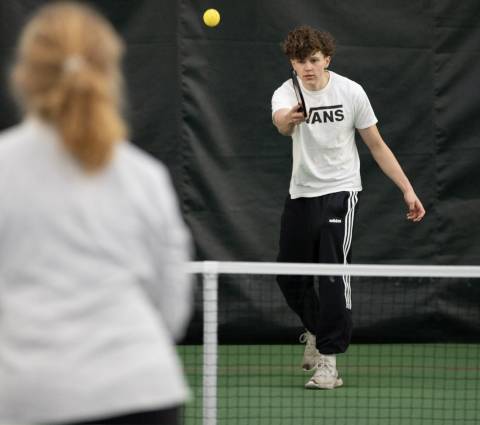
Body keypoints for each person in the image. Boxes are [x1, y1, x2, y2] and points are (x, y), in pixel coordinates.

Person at [0, 2, 192, 424]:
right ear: (111, 73)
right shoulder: (145, 176)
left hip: (31, 397)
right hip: (144, 392)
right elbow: (172, 307)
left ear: (24, 76)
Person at [271, 26, 425, 390]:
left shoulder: (351, 92)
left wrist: (407, 189)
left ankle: (329, 362)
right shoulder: (286, 92)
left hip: (341, 191)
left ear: (327, 59)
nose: (307, 67)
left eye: (313, 60)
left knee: (332, 276)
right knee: (287, 277)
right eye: (299, 61)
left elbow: (376, 144)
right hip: (300, 194)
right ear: (293, 63)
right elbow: (279, 121)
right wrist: (288, 119)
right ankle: (314, 328)